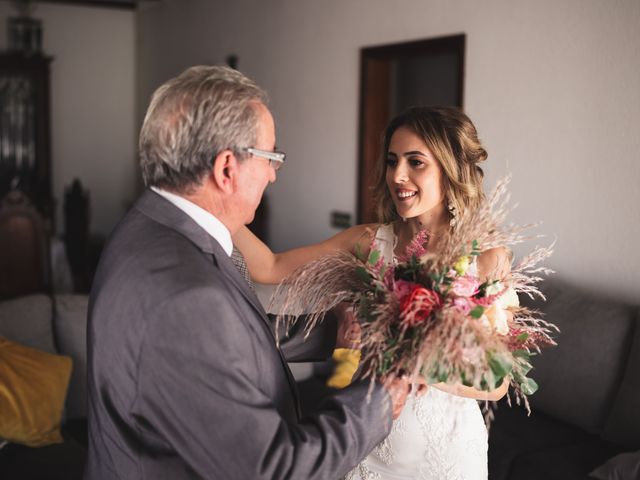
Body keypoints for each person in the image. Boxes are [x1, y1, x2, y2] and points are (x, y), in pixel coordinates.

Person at [84, 65, 411, 480]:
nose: (274, 174)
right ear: (226, 168)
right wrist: (377, 400)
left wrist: (332, 331)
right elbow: (272, 469)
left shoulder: (147, 227)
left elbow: (225, 343)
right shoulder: (185, 294)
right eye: (271, 157)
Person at [233, 106, 512, 479]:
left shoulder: (487, 259)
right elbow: (269, 266)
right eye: (393, 161)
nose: (398, 175)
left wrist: (416, 365)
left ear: (450, 168)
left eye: (416, 162)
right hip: (369, 438)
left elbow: (496, 383)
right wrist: (215, 205)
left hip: (444, 455)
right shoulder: (369, 241)